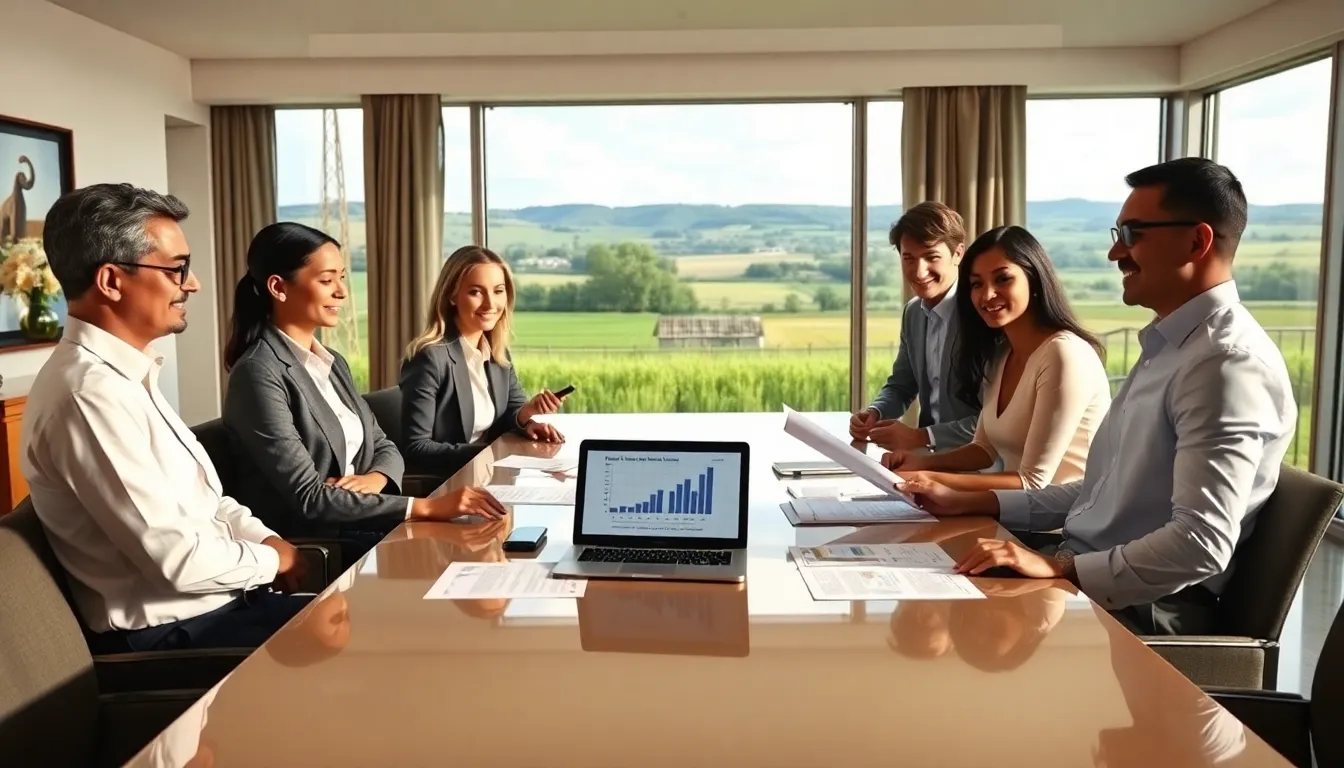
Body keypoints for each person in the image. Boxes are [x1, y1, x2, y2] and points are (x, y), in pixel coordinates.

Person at [902, 158, 1297, 636]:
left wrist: (1062, 569)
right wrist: (972, 501)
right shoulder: (1170, 348)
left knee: (950, 631)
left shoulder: (1225, 364)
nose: (1115, 252)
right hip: (1087, 568)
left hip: (1146, 608)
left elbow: (1199, 543)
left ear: (1198, 240)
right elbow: (1097, 495)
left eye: (1133, 234)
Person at [19, 183, 310, 653]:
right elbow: (178, 561)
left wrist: (272, 543)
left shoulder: (129, 375)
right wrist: (270, 561)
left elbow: (209, 504)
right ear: (111, 281)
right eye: (177, 270)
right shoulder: (87, 395)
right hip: (177, 641)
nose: (191, 284)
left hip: (224, 610)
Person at [221, 223, 507, 565]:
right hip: (319, 542)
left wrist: (377, 477)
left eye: (342, 277)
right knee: (467, 546)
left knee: (490, 536)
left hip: (359, 522)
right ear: (278, 287)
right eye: (327, 280)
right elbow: (310, 499)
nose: (342, 292)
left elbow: (385, 445)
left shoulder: (332, 362)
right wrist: (426, 507)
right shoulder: (258, 373)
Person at [880, 225, 1111, 491]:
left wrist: (930, 477)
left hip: (1065, 525)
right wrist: (923, 462)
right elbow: (983, 449)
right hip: (1016, 515)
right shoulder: (1001, 354)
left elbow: (1033, 481)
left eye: (1003, 279)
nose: (987, 295)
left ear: (1034, 279)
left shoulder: (1063, 353)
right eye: (977, 284)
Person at [400, 245, 566, 476]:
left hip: (491, 478)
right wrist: (492, 452)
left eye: (498, 291)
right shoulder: (430, 358)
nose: (490, 304)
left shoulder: (497, 352)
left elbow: (509, 415)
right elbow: (415, 448)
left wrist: (527, 418)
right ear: (452, 295)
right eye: (476, 292)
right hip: (449, 485)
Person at [852, 201, 981, 451]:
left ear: (958, 254)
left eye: (931, 257)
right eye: (908, 258)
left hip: (977, 464)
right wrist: (875, 412)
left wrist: (922, 437)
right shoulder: (913, 312)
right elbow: (902, 385)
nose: (919, 272)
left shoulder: (981, 315)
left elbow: (997, 423)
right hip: (930, 458)